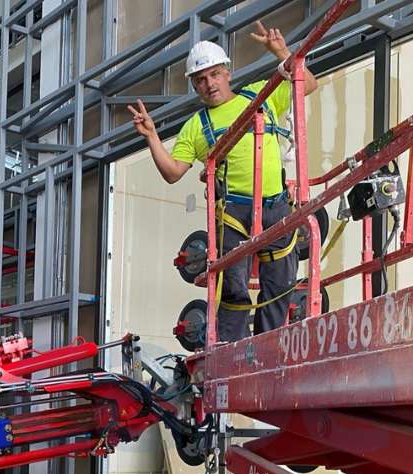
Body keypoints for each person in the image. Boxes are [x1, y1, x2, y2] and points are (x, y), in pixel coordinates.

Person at [129, 22, 319, 342]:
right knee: (233, 288)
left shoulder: (262, 95)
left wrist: (282, 53)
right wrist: (152, 137)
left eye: (214, 74)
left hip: (274, 204)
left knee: (281, 281)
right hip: (233, 214)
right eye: (201, 79)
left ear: (227, 73)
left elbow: (307, 84)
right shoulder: (195, 126)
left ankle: (267, 346)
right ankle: (233, 352)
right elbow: (173, 172)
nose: (209, 83)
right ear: (194, 86)